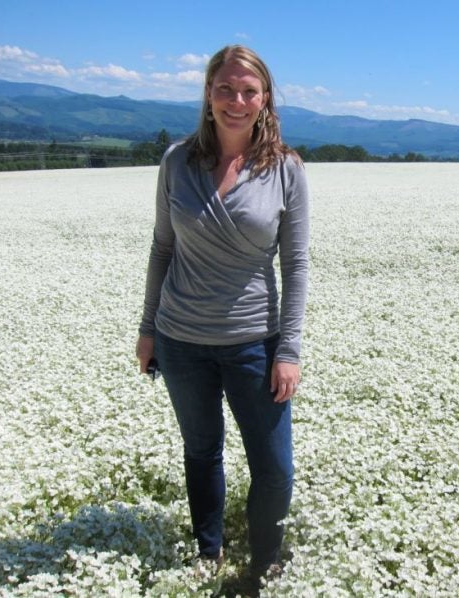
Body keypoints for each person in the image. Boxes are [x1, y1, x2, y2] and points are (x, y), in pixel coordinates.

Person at [135, 44, 309, 585]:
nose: (237, 100)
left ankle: (264, 563)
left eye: (248, 90)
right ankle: (208, 552)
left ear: (265, 99)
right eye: (225, 89)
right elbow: (163, 248)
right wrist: (147, 329)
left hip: (254, 342)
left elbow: (296, 265)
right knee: (202, 451)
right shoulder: (176, 162)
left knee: (275, 468)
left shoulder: (285, 169)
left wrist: (289, 350)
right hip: (181, 338)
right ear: (209, 95)